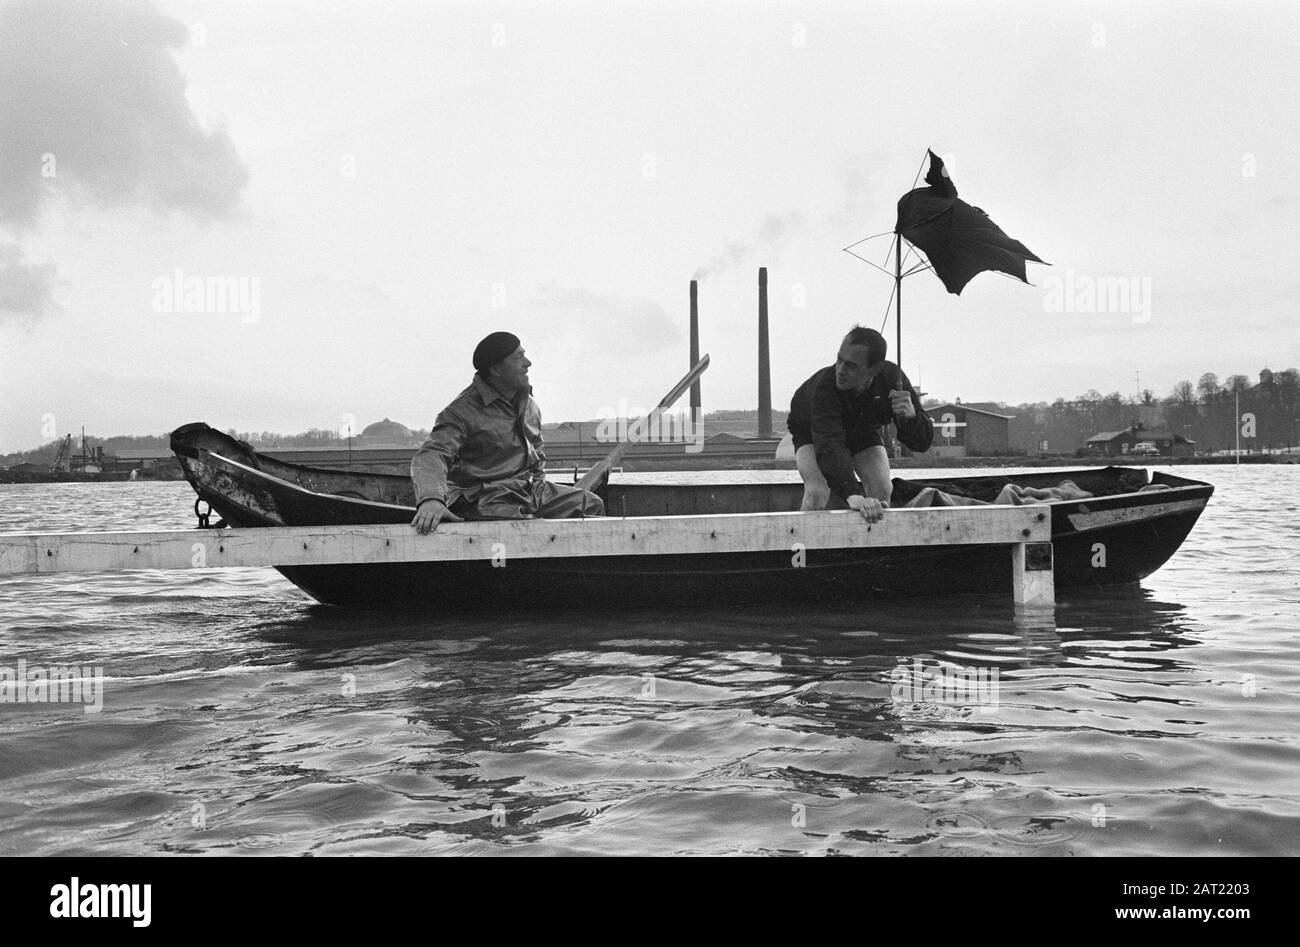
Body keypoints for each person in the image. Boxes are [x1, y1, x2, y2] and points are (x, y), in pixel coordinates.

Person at [411, 331, 604, 534]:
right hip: (484, 498)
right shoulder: (461, 412)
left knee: (589, 504)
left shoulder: (529, 404)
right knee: (522, 524)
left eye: (524, 354)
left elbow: (537, 450)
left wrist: (538, 482)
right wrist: (431, 499)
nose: (528, 363)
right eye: (518, 357)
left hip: (529, 491)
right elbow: (431, 455)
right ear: (496, 369)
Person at [786, 326, 933, 522]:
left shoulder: (893, 379)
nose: (840, 370)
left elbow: (921, 444)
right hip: (812, 432)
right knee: (817, 492)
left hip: (862, 429)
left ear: (875, 369)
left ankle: (872, 547)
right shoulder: (825, 390)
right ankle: (801, 547)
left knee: (882, 489)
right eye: (839, 360)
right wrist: (852, 494)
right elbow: (829, 445)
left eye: (851, 366)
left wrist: (912, 419)